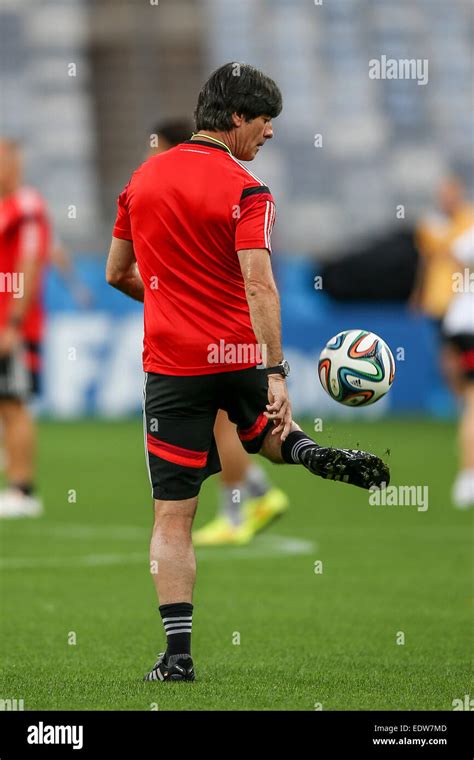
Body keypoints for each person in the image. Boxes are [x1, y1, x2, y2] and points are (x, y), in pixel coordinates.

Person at [106, 62, 389, 682]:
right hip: (236, 354)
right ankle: (308, 452)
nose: (268, 135)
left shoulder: (142, 179)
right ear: (237, 117)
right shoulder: (248, 190)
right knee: (261, 431)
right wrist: (276, 372)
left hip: (173, 366)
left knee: (173, 517)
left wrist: (174, 302)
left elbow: (117, 274)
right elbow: (259, 283)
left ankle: (177, 658)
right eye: (265, 122)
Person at [146, 118, 289, 545]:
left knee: (224, 427)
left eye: (156, 147)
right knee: (228, 424)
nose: (151, 157)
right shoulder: (226, 190)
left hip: (222, 332)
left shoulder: (198, 192)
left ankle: (234, 511)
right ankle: (261, 494)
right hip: (230, 323)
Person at [413, 175, 474, 506]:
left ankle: (468, 471)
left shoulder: (465, 228)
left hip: (460, 317)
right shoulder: (440, 226)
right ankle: (468, 476)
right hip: (459, 316)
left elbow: (457, 256)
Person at [0, 139, 50, 518]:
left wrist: (14, 323)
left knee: (15, 402)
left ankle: (23, 489)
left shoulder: (27, 205)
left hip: (13, 325)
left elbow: (31, 262)